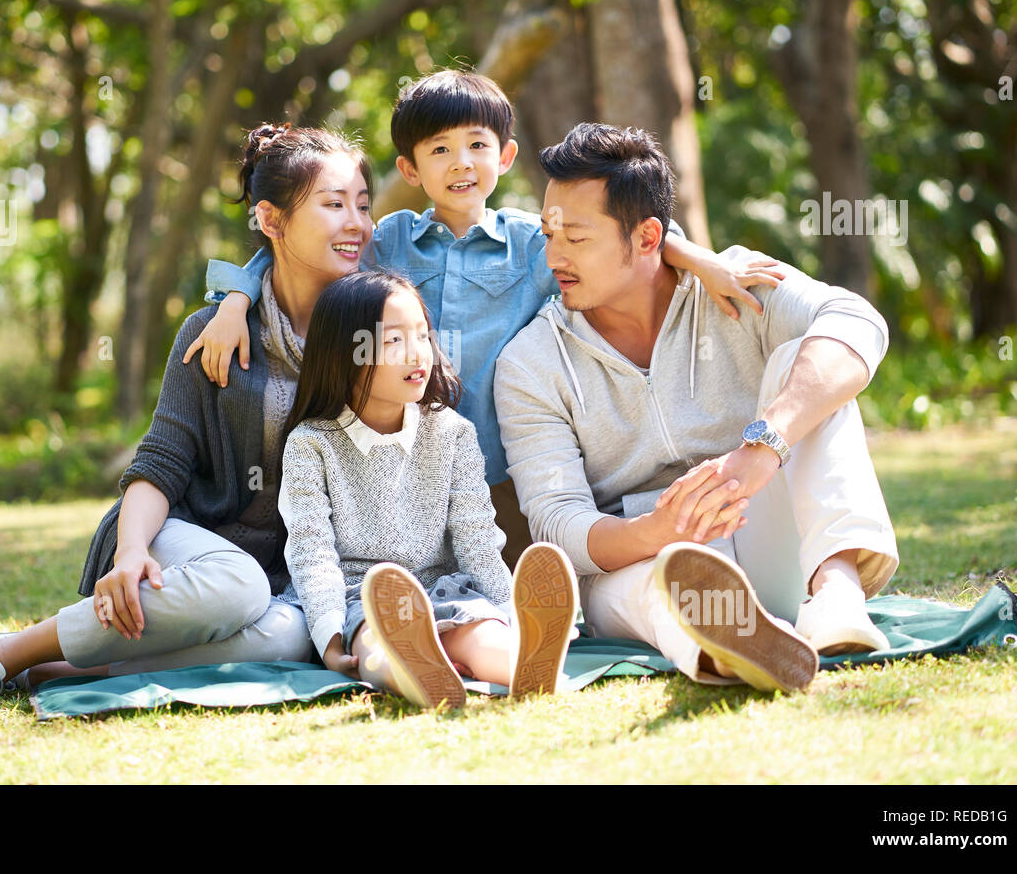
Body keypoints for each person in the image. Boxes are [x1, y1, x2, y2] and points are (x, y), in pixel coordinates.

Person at [185, 69, 783, 569]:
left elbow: (636, 238)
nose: (461, 163)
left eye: (476, 144)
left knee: (521, 582)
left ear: (506, 155)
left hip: (507, 471)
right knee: (419, 576)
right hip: (410, 467)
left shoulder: (535, 243)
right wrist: (237, 297)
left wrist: (700, 261)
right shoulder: (391, 240)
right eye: (439, 150)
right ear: (411, 169)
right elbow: (302, 251)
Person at [0, 123, 378, 708]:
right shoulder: (212, 335)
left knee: (287, 638)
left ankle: (55, 670)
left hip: (277, 577)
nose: (357, 222)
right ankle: (1, 653)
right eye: (333, 205)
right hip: (178, 536)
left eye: (362, 203)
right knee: (236, 586)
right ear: (271, 221)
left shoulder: (364, 340)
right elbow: (160, 463)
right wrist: (131, 552)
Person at [494, 123, 900, 694]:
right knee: (642, 587)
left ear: (646, 237)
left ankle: (836, 601)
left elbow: (859, 324)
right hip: (642, 565)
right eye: (548, 234)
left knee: (805, 367)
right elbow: (559, 522)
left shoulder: (734, 283)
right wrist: (653, 531)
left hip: (764, 527)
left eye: (577, 239)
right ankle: (723, 644)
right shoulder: (532, 363)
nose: (553, 256)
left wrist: (763, 447)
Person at [277, 269, 579, 709]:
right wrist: (329, 634)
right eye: (394, 340)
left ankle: (527, 663)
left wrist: (509, 612)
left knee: (480, 630)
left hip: (445, 589)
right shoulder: (311, 444)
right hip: (363, 596)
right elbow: (313, 552)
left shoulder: (452, 433)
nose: (417, 352)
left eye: (422, 335)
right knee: (376, 642)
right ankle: (418, 670)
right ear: (346, 351)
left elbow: (478, 543)